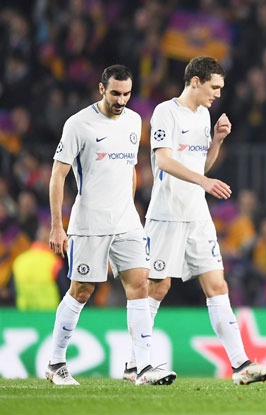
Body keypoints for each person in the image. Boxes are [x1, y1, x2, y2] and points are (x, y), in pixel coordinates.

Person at [122, 56, 266, 385]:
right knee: (157, 285)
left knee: (217, 285)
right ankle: (134, 365)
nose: (218, 94)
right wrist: (203, 182)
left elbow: (201, 164)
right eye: (215, 87)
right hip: (167, 214)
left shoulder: (205, 116)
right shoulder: (166, 112)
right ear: (195, 81)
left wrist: (218, 141)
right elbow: (164, 161)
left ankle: (241, 366)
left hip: (197, 214)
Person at [47, 65, 176, 386]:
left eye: (127, 94)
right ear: (101, 89)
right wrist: (56, 226)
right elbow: (57, 176)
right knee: (81, 291)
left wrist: (131, 207)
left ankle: (141, 367)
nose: (121, 100)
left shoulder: (134, 121)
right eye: (115, 93)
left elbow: (130, 169)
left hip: (126, 223)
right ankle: (56, 363)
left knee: (141, 286)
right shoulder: (78, 124)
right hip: (89, 222)